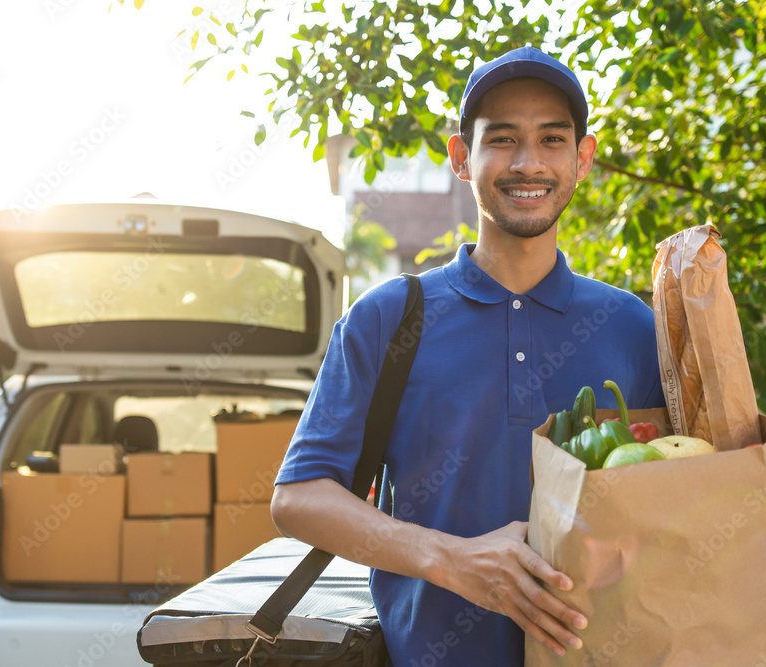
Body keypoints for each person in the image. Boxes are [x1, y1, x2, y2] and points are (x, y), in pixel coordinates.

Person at [271, 45, 665, 666]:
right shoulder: (387, 319)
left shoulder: (632, 327)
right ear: (462, 157)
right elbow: (298, 498)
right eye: (502, 139)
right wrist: (448, 559)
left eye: (553, 139)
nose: (528, 163)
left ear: (583, 158)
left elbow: (677, 498)